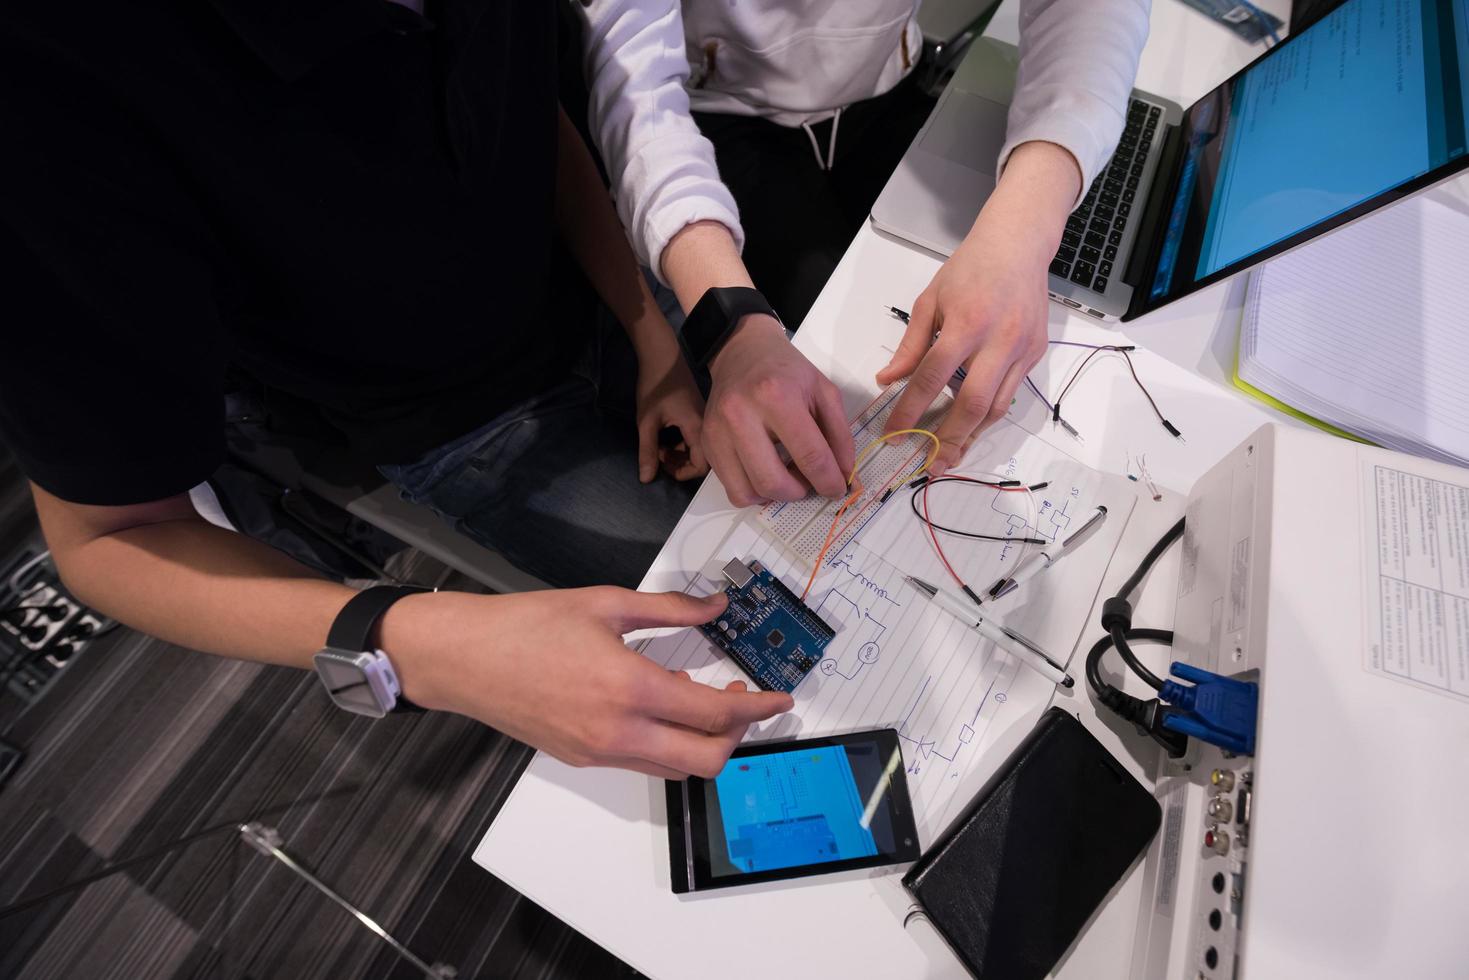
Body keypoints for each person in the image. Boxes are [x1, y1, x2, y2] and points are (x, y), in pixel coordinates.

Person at [0, 0, 847, 779]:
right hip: (452, 420)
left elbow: (522, 115)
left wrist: (652, 334)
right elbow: (107, 538)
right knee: (776, 663)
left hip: (592, 286)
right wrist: (426, 642)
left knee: (831, 528)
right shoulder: (55, 87)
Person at [578, 0, 1150, 475]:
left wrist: (1026, 226)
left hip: (892, 84)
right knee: (849, 364)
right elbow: (636, 90)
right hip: (721, 120)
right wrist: (730, 324)